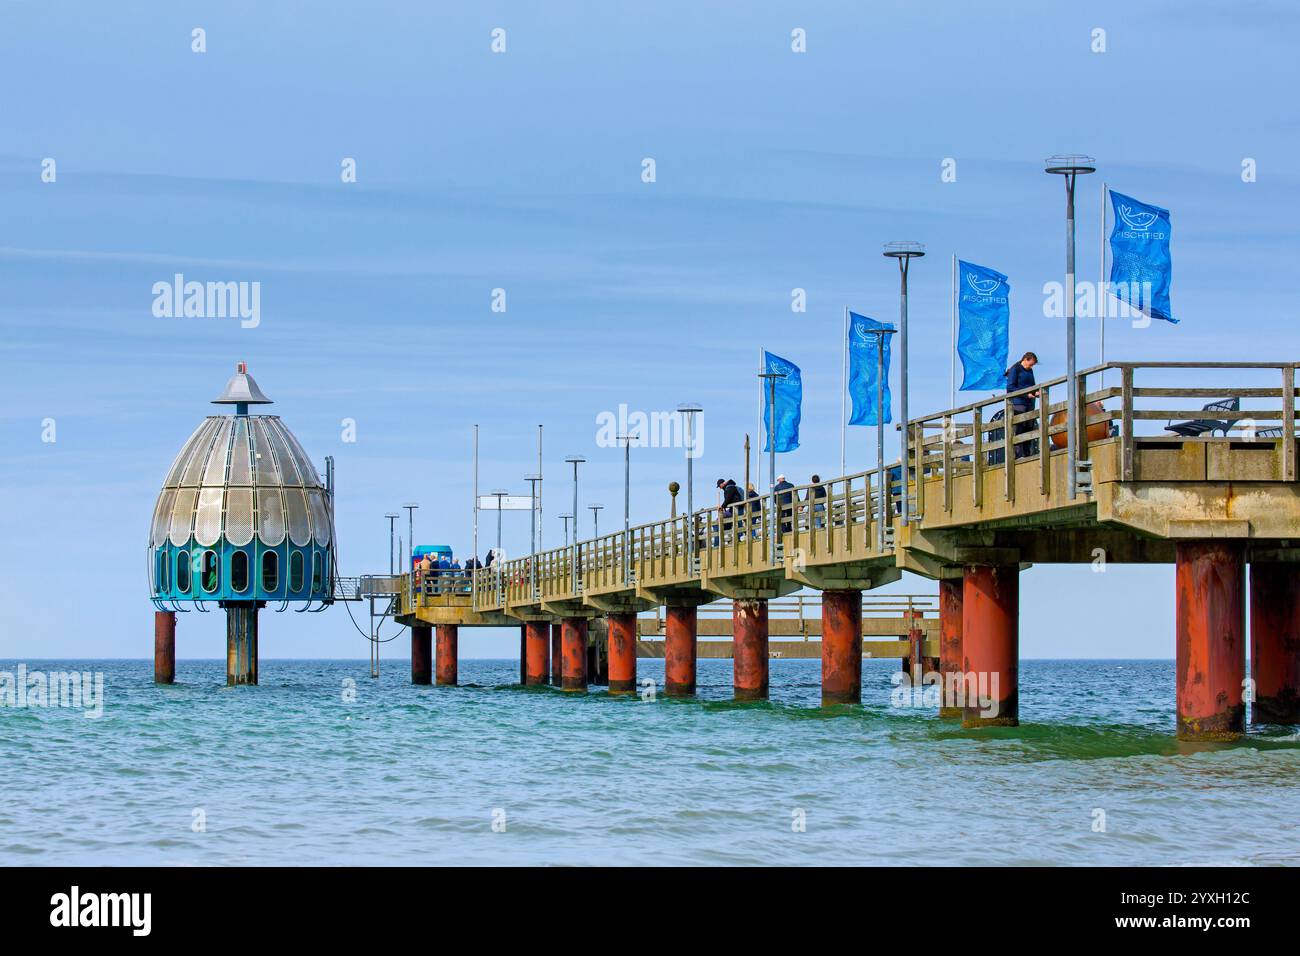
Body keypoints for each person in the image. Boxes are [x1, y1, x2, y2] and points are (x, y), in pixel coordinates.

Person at [1005, 351, 1039, 459]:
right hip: (1018, 402)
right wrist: (1025, 394)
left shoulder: (1030, 371)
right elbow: (1010, 387)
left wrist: (1035, 392)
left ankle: (1027, 453)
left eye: (1033, 365)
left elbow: (1031, 385)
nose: (1031, 366)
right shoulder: (1016, 369)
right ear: (1025, 359)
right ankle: (1018, 455)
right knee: (1019, 428)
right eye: (1031, 364)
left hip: (1029, 403)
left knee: (1029, 427)